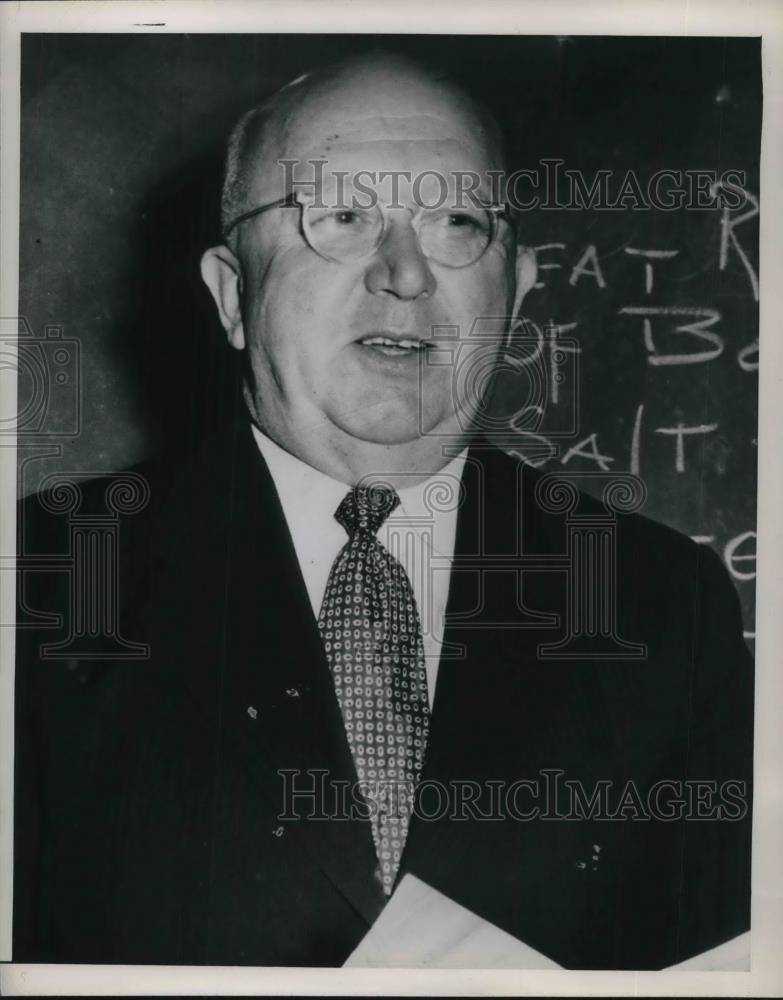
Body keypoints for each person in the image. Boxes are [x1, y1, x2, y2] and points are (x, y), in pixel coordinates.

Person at [13, 51, 753, 969]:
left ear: (516, 290)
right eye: (342, 215)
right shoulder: (41, 582)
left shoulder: (663, 606)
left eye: (454, 222)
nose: (403, 272)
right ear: (232, 293)